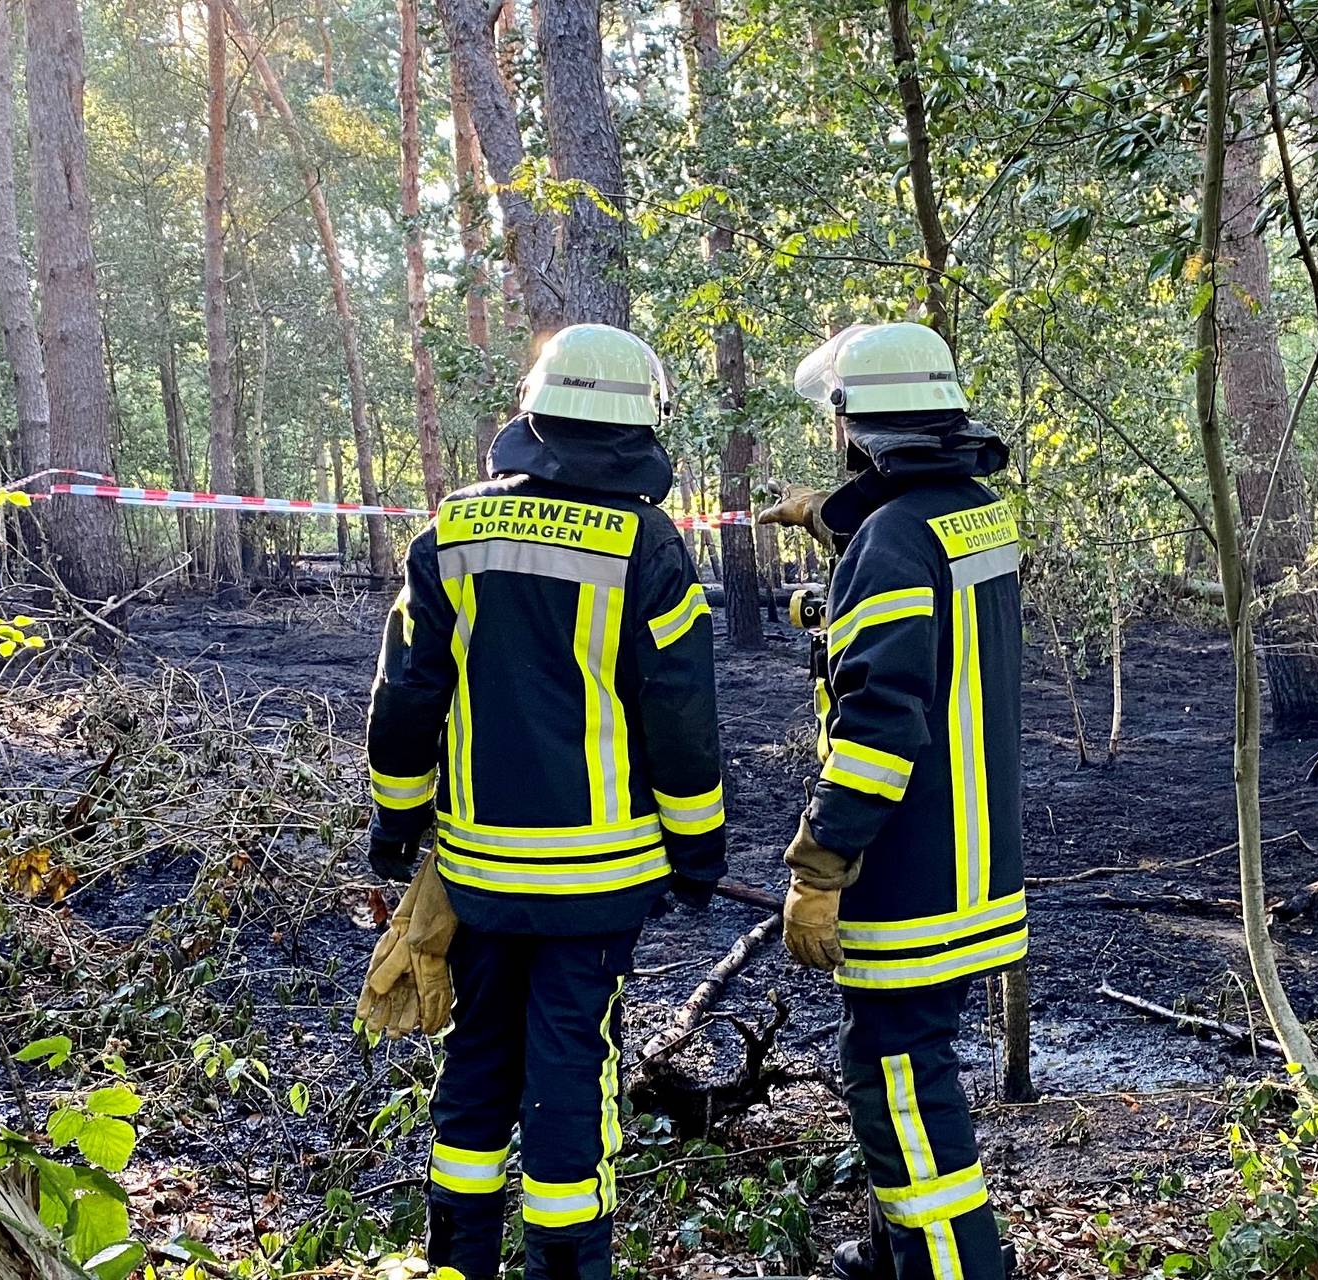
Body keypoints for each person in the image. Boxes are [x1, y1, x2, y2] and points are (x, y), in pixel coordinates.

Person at [361, 323, 726, 1280]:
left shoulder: (452, 533)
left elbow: (406, 696)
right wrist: (698, 850)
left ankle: (458, 1264)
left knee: (477, 1062)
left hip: (478, 876)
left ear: (535, 414)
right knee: (570, 1073)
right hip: (598, 883)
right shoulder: (649, 547)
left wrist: (397, 824)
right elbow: (679, 714)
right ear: (639, 428)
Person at [764, 322, 1023, 1280]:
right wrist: (829, 529)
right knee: (908, 1067)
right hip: (979, 860)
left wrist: (819, 868)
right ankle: (894, 1261)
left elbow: (880, 724)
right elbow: (916, 617)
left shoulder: (889, 542)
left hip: (909, 872)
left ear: (854, 425)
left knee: (900, 1090)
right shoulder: (974, 513)